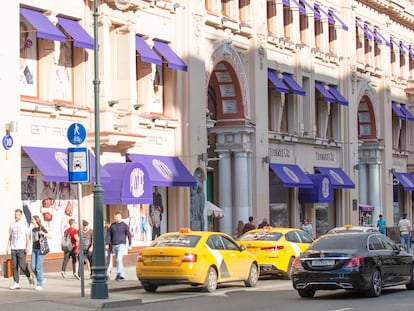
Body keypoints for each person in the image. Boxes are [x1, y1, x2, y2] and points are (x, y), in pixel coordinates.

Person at [7, 208, 35, 290]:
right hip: (14, 248)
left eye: (18, 215)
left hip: (21, 248)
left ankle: (29, 276)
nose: (16, 216)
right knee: (14, 266)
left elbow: (27, 236)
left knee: (22, 265)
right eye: (15, 214)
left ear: (21, 215)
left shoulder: (23, 224)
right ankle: (16, 283)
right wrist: (8, 246)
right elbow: (10, 236)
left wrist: (28, 246)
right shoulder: (12, 224)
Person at [106, 211, 132, 281]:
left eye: (116, 217)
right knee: (118, 261)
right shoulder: (112, 226)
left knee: (119, 259)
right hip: (115, 245)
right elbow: (108, 235)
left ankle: (118, 273)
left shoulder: (124, 225)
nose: (115, 218)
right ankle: (122, 275)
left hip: (122, 244)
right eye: (114, 217)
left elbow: (128, 235)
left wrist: (130, 244)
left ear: (120, 217)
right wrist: (107, 244)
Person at [31, 215, 51, 290]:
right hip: (34, 249)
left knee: (38, 267)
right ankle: (42, 278)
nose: (31, 220)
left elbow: (50, 236)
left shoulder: (41, 228)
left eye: (32, 219)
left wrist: (43, 233)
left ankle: (39, 284)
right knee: (33, 267)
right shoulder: (33, 229)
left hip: (40, 249)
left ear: (36, 220)